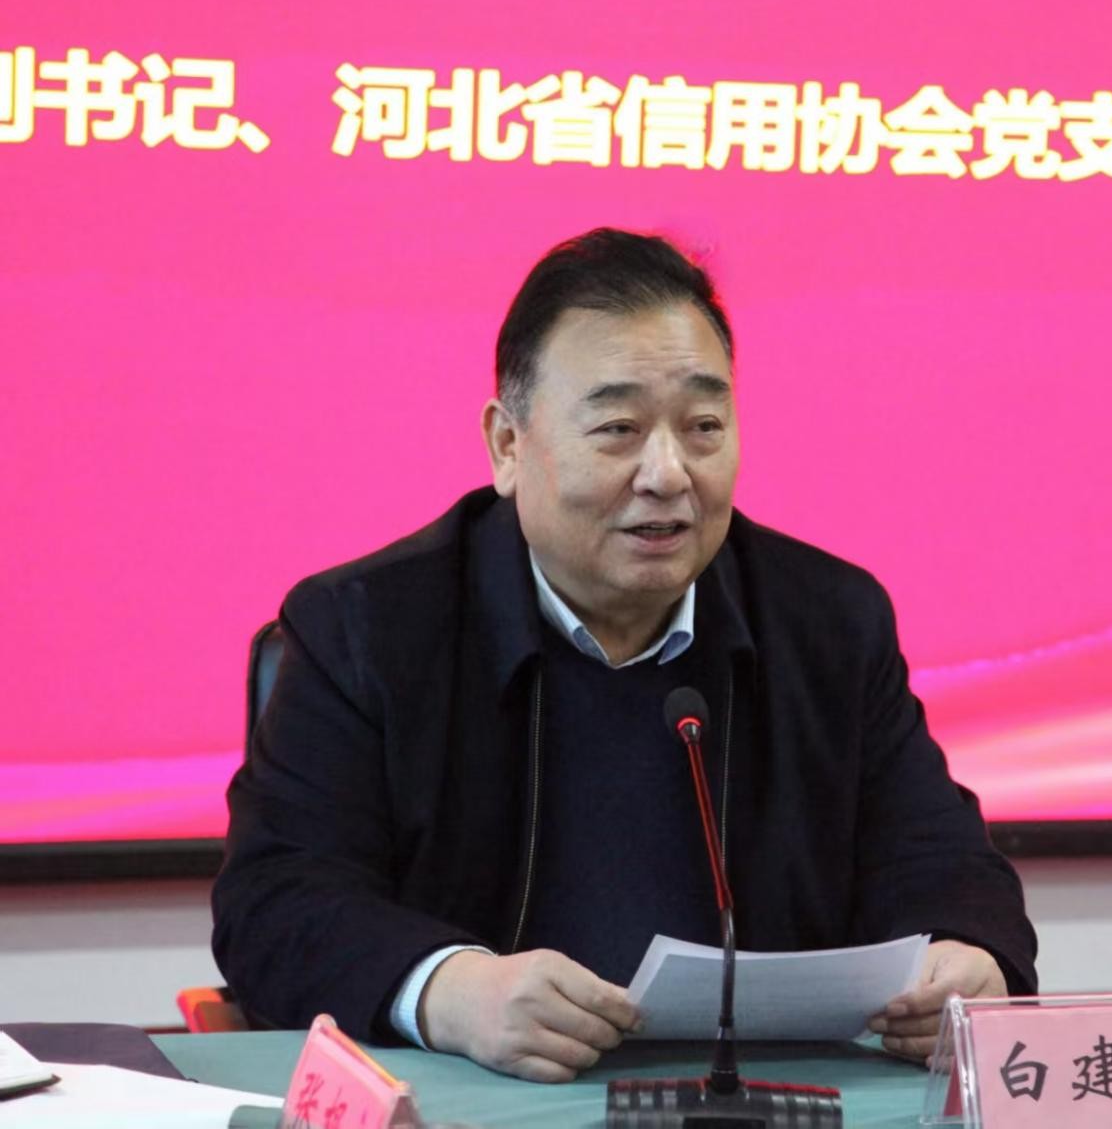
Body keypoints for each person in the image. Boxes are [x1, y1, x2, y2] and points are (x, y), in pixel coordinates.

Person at [212, 228, 1037, 1083]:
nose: (667, 473)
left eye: (703, 426)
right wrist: (451, 991)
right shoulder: (367, 626)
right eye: (618, 428)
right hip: (486, 1099)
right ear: (507, 444)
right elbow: (275, 901)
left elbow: (941, 860)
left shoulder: (827, 620)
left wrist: (967, 953)